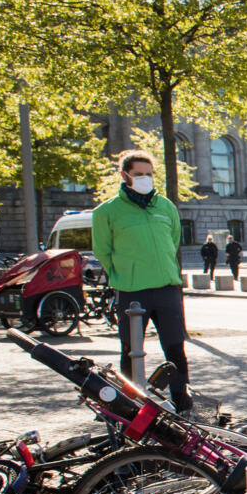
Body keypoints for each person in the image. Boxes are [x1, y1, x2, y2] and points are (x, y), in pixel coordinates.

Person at [91, 150, 194, 413]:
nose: (145, 179)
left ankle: (181, 400)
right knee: (130, 351)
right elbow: (102, 250)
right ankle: (127, 404)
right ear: (124, 175)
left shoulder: (166, 206)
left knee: (175, 348)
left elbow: (173, 240)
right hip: (132, 291)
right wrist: (125, 274)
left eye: (149, 174)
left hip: (167, 289)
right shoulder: (107, 211)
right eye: (139, 175)